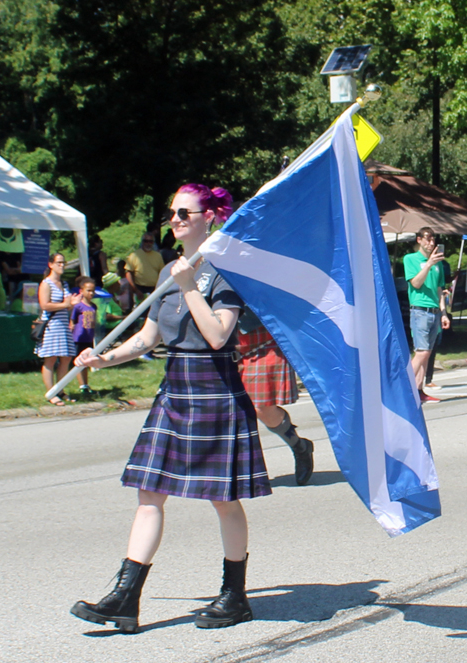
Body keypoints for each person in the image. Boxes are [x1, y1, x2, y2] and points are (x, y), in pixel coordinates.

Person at [70, 184, 271, 634]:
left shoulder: (223, 272)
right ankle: (125, 597)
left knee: (223, 499)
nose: (175, 219)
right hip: (176, 387)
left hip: (215, 385)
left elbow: (219, 335)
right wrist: (105, 358)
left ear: (209, 217)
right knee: (149, 492)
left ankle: (235, 596)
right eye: (172, 212)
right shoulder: (168, 274)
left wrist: (189, 287)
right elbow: (148, 337)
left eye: (185, 212)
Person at [237, 309, 314, 486]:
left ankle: (299, 447)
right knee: (224, 408)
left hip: (260, 336)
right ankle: (235, 469)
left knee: (262, 408)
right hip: (217, 336)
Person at [403, 228, 450, 404]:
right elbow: (415, 283)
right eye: (428, 239)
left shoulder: (438, 264)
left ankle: (418, 390)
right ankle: (401, 386)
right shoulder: (411, 259)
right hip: (420, 311)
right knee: (421, 352)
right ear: (419, 240)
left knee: (427, 353)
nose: (431, 243)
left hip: (434, 312)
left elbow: (439, 290)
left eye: (433, 240)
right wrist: (428, 263)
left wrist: (444, 313)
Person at [35, 253, 81, 406]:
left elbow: (66, 306)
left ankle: (60, 389)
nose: (62, 265)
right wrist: (66, 304)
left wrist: (72, 304)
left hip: (63, 324)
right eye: (59, 263)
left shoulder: (64, 284)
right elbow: (45, 305)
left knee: (66, 357)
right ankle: (51, 393)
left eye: (63, 263)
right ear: (51, 265)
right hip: (52, 325)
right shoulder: (46, 284)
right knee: (51, 358)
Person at [70, 277, 97, 395]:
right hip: (79, 338)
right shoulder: (78, 307)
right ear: (81, 291)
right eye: (88, 290)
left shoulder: (93, 306)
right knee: (79, 362)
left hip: (88, 338)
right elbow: (72, 322)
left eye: (92, 290)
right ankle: (82, 385)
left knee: (87, 362)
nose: (91, 293)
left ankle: (86, 384)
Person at [125, 232, 165, 300]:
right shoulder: (134, 255)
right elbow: (128, 273)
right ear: (142, 242)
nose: (148, 243)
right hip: (139, 288)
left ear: (153, 243)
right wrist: (135, 289)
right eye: (146, 241)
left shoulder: (158, 256)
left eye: (150, 241)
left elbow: (162, 272)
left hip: (154, 289)